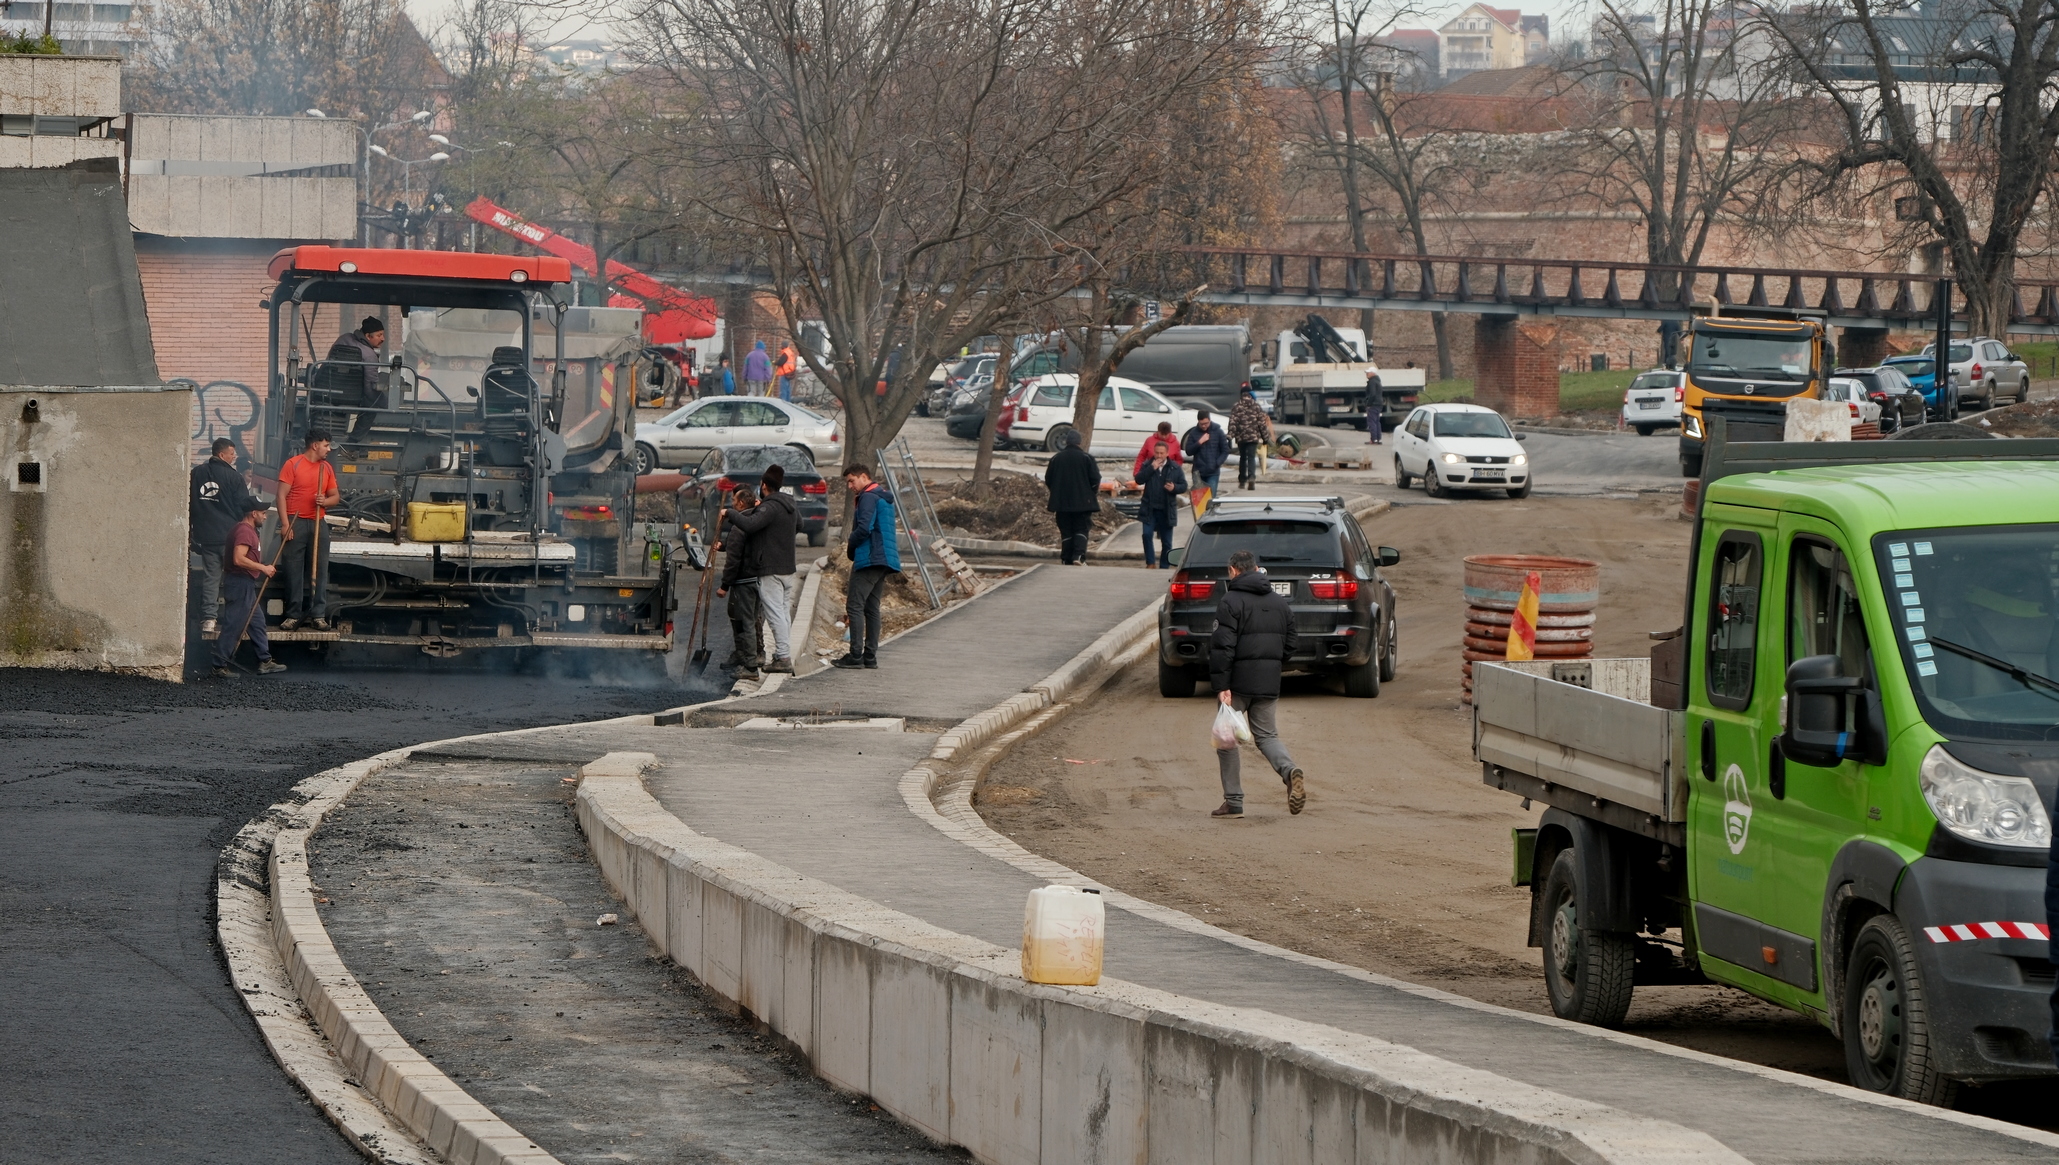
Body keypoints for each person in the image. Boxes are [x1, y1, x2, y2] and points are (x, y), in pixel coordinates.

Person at [1208, 548, 1305, 817]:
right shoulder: (1279, 602)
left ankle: (1234, 800)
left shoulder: (1230, 601)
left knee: (1227, 740)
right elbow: (1292, 643)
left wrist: (1222, 685)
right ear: (1256, 568)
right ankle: (1289, 771)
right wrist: (1273, 664)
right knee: (1267, 736)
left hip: (1236, 683)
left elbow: (1222, 647)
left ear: (1233, 570)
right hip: (1268, 681)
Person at [726, 462, 799, 673]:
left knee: (774, 614)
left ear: (765, 485)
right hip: (788, 567)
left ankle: (783, 658)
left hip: (771, 569)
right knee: (783, 613)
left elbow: (749, 525)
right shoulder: (790, 504)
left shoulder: (769, 506)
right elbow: (800, 525)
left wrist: (730, 513)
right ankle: (782, 654)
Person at [834, 463, 900, 669]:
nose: (850, 486)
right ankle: (870, 657)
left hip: (870, 558)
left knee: (854, 606)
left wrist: (850, 545)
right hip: (885, 559)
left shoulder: (868, 497)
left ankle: (855, 655)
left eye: (851, 481)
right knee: (872, 608)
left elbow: (864, 528)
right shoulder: (884, 498)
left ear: (864, 477)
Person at [212, 498, 286, 678]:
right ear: (253, 514)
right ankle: (218, 665)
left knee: (257, 622)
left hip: (243, 583)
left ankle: (264, 661)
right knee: (234, 625)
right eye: (263, 513)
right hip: (240, 583)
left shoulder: (245, 530)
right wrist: (263, 568)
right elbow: (238, 559)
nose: (265, 517)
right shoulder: (245, 531)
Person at [276, 428, 341, 631]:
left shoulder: (326, 468)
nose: (328, 449)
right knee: (293, 570)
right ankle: (293, 615)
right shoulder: (292, 464)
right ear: (315, 445)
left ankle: (318, 615)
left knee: (320, 570)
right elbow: (280, 496)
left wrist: (325, 501)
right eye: (326, 445)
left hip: (318, 522)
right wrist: (285, 524)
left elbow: (335, 497)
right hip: (295, 522)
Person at [188, 437, 253, 634]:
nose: (234, 457)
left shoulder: (196, 473)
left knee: (211, 577)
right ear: (221, 454)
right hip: (230, 537)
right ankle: (236, 617)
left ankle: (209, 619)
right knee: (235, 577)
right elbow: (244, 507)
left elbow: (190, 502)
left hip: (206, 537)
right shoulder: (234, 478)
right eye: (232, 453)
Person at [715, 486, 764, 678]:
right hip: (759, 578)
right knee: (753, 619)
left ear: (742, 504)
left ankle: (750, 665)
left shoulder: (738, 527)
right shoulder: (758, 523)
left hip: (744, 581)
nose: (732, 504)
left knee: (746, 622)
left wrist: (724, 585)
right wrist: (725, 546)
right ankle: (752, 656)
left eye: (734, 502)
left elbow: (733, 560)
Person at [1044, 428, 1101, 565]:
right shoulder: (1087, 458)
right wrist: (1090, 493)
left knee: (1066, 530)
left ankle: (1066, 558)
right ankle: (1078, 556)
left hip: (1061, 502)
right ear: (1079, 443)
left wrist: (1057, 492)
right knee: (1081, 528)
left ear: (1066, 442)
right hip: (1083, 503)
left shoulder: (1056, 458)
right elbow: (1095, 479)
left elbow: (1049, 479)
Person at [325, 317, 386, 443]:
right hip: (353, 396)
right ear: (368, 336)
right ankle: (354, 441)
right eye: (379, 335)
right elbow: (370, 385)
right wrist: (381, 402)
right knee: (371, 409)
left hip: (329, 390)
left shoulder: (343, 338)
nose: (383, 339)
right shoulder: (369, 355)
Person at [1135, 447, 1187, 569]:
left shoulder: (1174, 467)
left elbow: (1184, 485)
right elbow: (1139, 479)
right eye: (1157, 453)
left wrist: (1174, 488)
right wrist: (1151, 468)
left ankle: (1164, 565)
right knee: (1147, 535)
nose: (1159, 455)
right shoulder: (1148, 464)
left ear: (1167, 453)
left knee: (1167, 541)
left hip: (1166, 509)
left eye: (1161, 453)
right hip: (1149, 508)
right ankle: (1150, 562)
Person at [1227, 387, 1273, 491]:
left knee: (1243, 458)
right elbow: (1262, 424)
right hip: (1253, 437)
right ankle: (1252, 478)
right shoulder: (1256, 406)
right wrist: (1265, 438)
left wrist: (1230, 435)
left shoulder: (1236, 406)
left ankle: (1242, 481)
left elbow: (1233, 422)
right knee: (1251, 457)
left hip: (1241, 437)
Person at [1182, 409, 1230, 497]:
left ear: (1210, 420)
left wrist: (1217, 463)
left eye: (1206, 423)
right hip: (1198, 472)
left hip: (1213, 472)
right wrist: (1199, 442)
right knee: (1200, 500)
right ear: (1198, 422)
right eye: (1202, 424)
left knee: (1210, 498)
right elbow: (1188, 451)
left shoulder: (1218, 432)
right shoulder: (1194, 433)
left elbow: (1225, 450)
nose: (1204, 426)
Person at [1365, 371, 1384, 446]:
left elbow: (1372, 394)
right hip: (1379, 403)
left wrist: (1369, 404)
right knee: (1376, 421)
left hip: (1374, 404)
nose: (1366, 374)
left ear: (1372, 373)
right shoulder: (1378, 381)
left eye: (1368, 373)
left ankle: (1374, 439)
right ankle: (1378, 438)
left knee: (1371, 421)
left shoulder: (1372, 382)